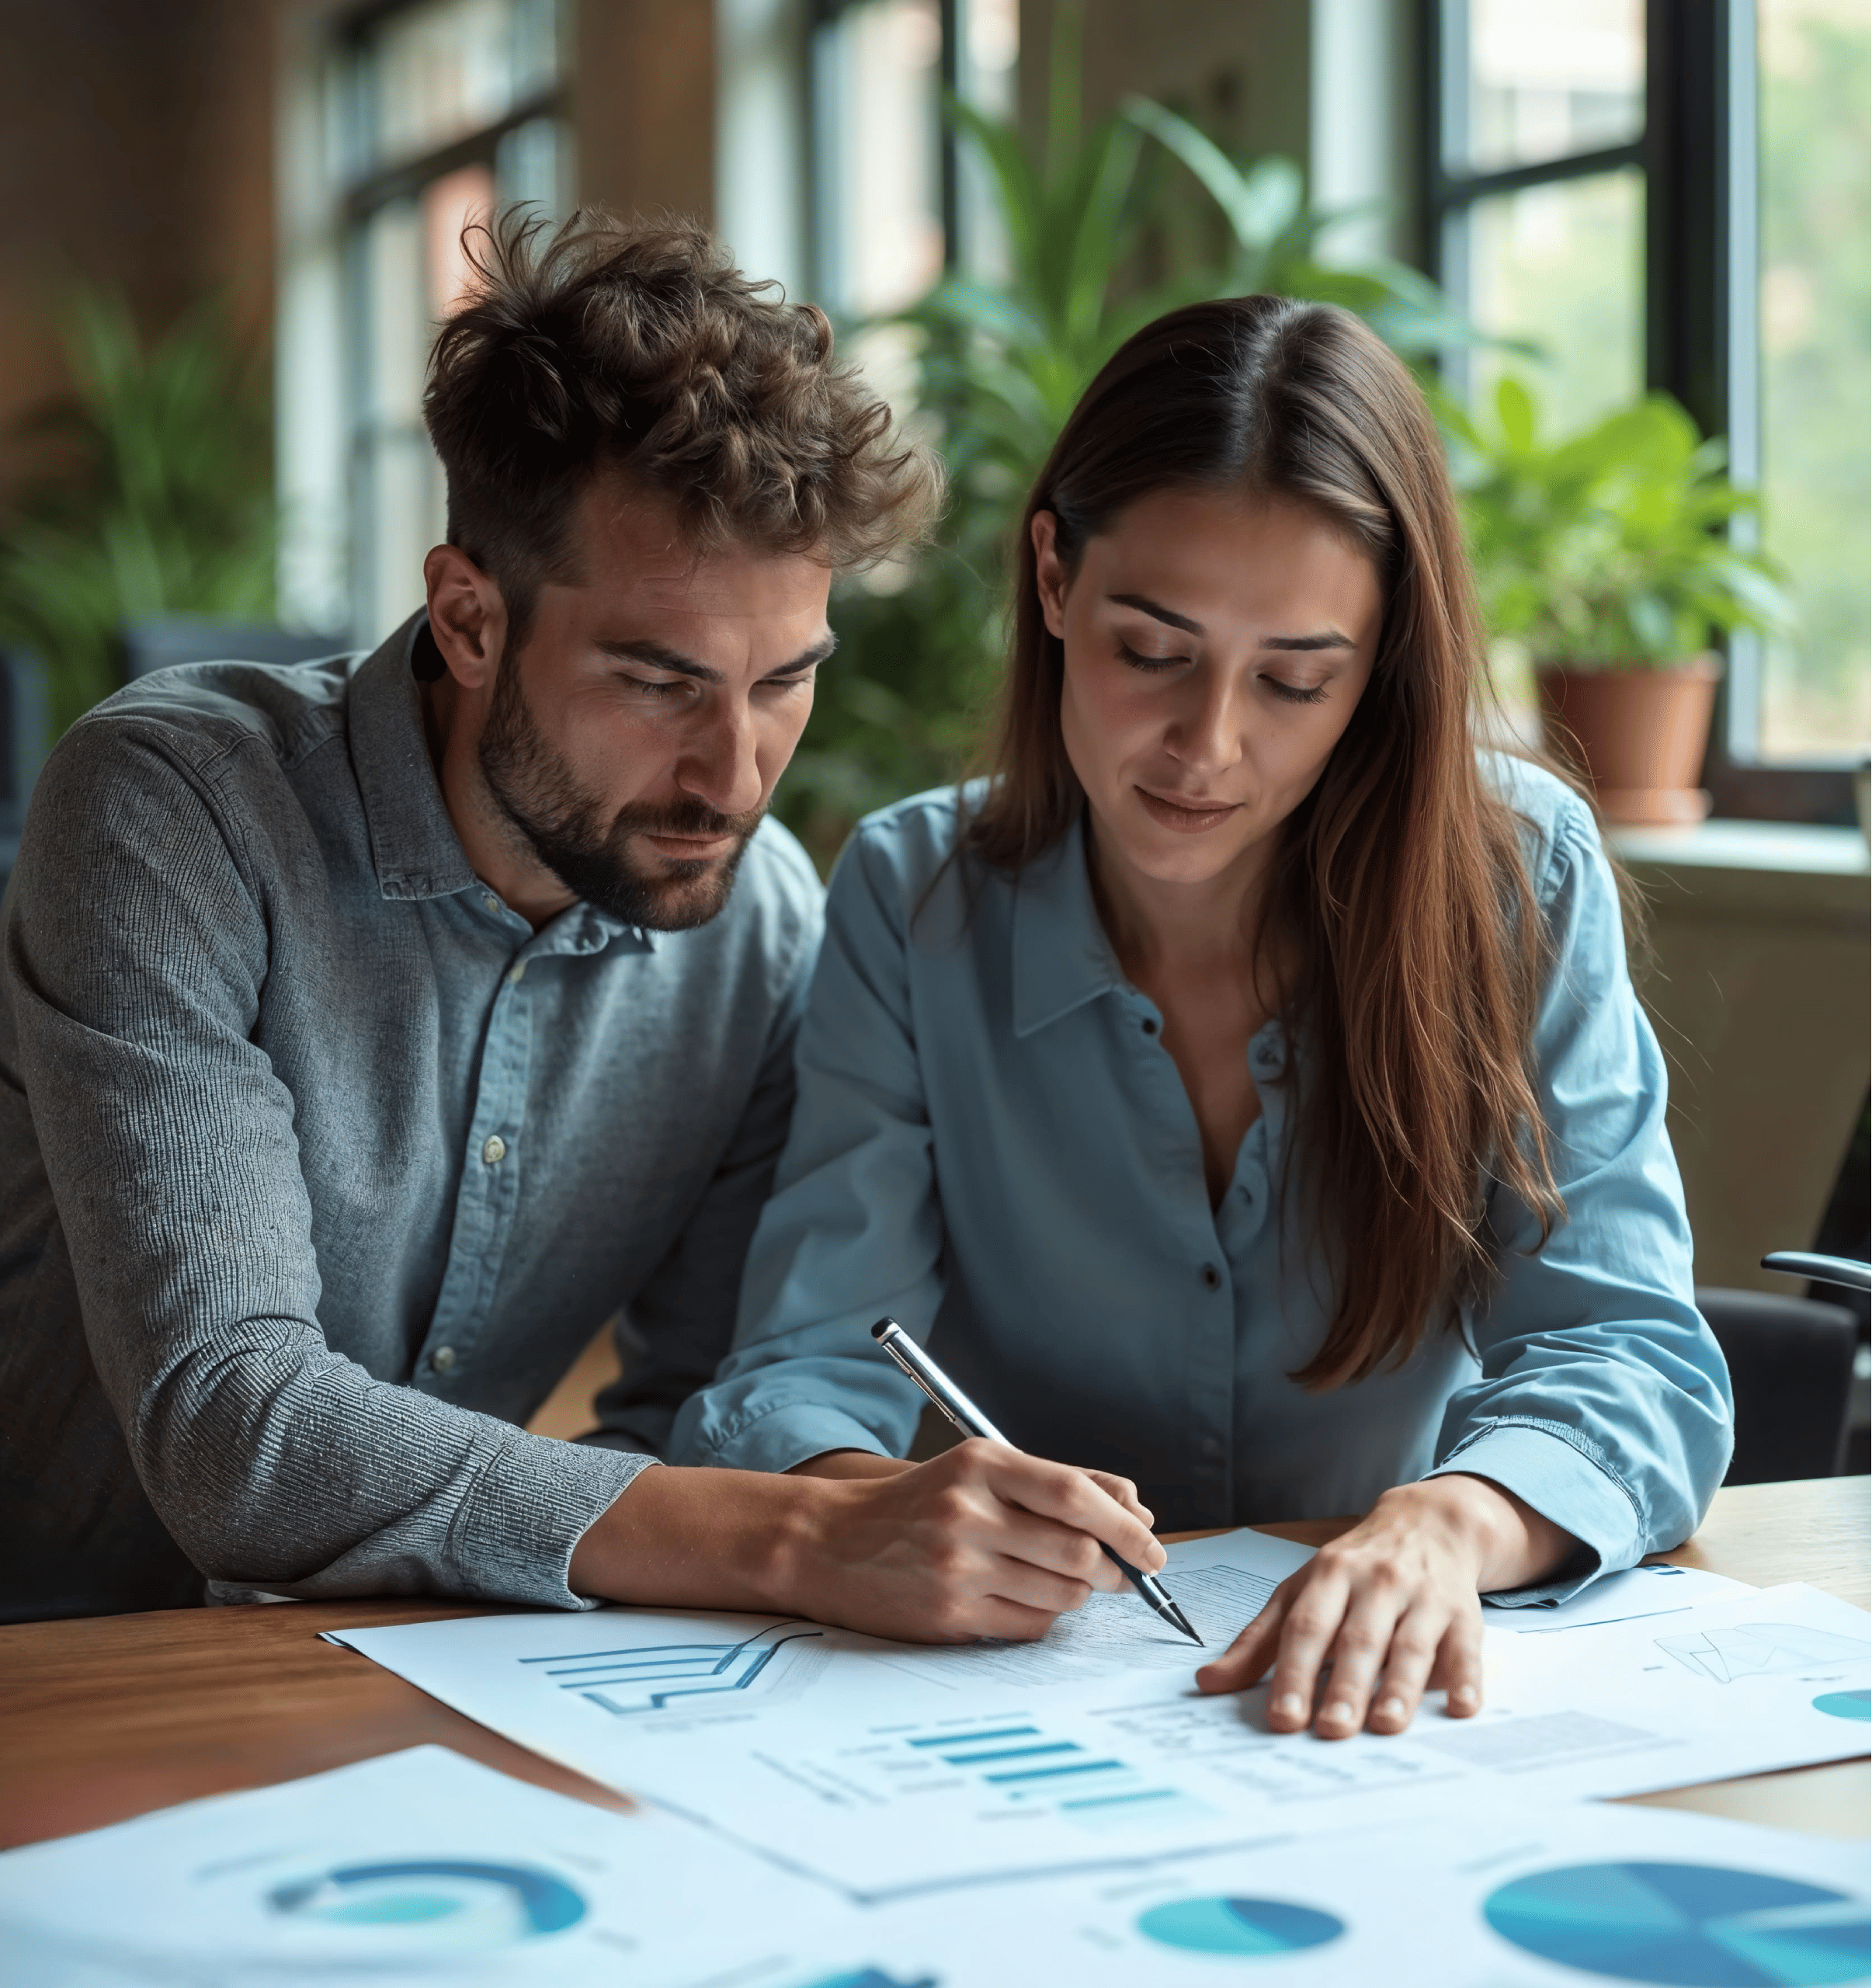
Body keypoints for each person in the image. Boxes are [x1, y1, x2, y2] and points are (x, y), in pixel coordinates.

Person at [0, 210, 1165, 1626]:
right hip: (50, 1657)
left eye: (785, 681)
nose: (734, 777)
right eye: (660, 682)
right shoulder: (173, 811)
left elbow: (680, 1419)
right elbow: (235, 1431)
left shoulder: (756, 930)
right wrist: (795, 1539)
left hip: (396, 1677)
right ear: (470, 621)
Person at [672, 295, 1734, 1738]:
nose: (1207, 746)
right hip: (1013, 1700)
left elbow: (1631, 1355)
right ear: (1053, 576)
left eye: (1297, 678)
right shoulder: (913, 893)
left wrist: (1449, 1523)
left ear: (1377, 671)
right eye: (1150, 651)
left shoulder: (1513, 875)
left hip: (1385, 1704)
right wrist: (872, 1505)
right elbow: (801, 1366)